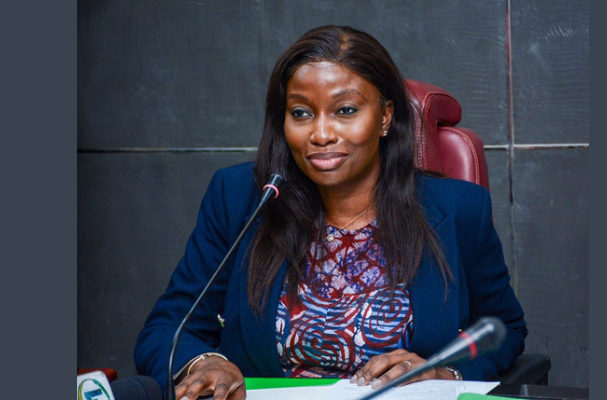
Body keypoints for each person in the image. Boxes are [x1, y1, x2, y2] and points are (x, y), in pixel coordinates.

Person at [134, 25, 527, 400]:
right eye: (301, 113)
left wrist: (445, 374)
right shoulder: (240, 198)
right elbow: (167, 328)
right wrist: (205, 362)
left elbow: (504, 328)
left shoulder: (458, 209)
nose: (321, 134)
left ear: (385, 116)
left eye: (346, 110)